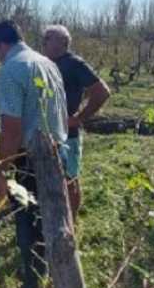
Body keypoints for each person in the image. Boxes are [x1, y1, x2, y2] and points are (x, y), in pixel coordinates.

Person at [0, 20, 70, 288]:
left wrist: (1, 173)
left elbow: (11, 130)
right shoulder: (48, 64)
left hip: (30, 161)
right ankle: (47, 287)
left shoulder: (11, 70)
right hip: (55, 154)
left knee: (29, 228)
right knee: (51, 224)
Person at [40, 25, 111, 213]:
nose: (43, 42)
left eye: (48, 38)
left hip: (68, 135)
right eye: (44, 38)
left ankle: (72, 223)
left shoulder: (74, 63)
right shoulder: (46, 64)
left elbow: (102, 92)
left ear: (63, 42)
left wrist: (79, 117)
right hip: (48, 133)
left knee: (70, 180)